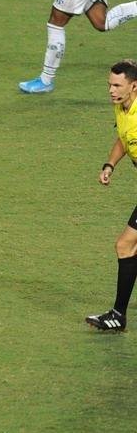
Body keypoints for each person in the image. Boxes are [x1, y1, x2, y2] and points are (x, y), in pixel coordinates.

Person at [85, 60, 137, 331]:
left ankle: (118, 316)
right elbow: (123, 139)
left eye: (117, 85)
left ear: (133, 86)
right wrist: (110, 164)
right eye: (109, 85)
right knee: (127, 246)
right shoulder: (122, 107)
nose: (111, 90)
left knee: (125, 245)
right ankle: (118, 315)